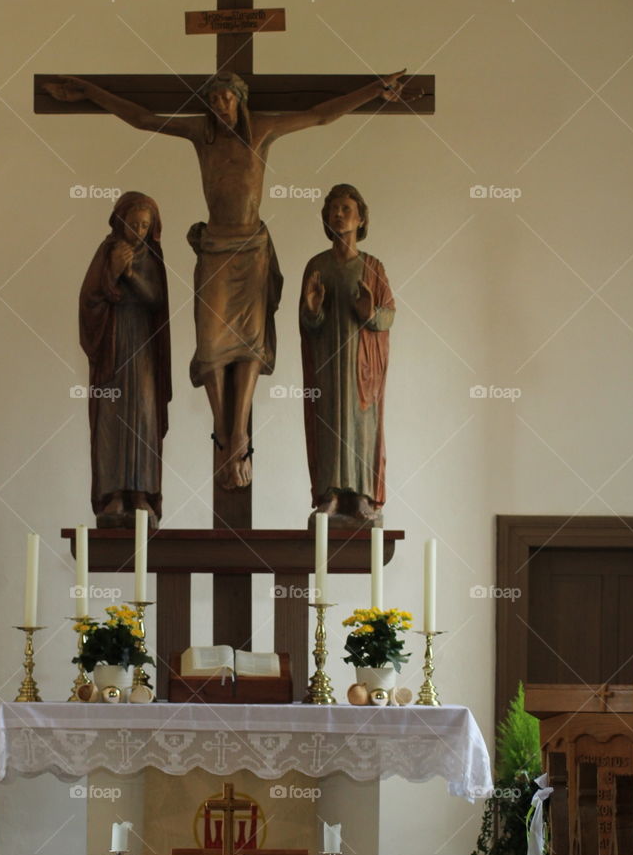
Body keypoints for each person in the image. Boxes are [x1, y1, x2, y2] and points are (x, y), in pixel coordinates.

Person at [46, 69, 407, 487]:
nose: (219, 106)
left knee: (252, 341)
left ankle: (238, 434)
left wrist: (371, 90)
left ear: (241, 100)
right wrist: (92, 90)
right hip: (215, 248)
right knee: (211, 342)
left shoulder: (263, 132)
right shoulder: (202, 135)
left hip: (252, 248)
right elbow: (144, 119)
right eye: (213, 99)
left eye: (226, 98)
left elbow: (321, 115)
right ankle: (225, 436)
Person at [299, 183, 395, 525]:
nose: (338, 215)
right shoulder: (317, 265)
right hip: (327, 362)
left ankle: (363, 498)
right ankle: (332, 495)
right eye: (333, 210)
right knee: (329, 422)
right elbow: (307, 324)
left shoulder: (372, 267)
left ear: (361, 218)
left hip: (362, 366)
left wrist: (369, 313)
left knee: (362, 426)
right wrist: (312, 311)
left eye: (346, 209)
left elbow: (388, 315)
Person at [78, 192, 171, 527]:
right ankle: (114, 494)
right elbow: (89, 298)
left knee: (144, 416)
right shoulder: (107, 251)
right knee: (112, 418)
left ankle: (141, 495)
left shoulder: (152, 257)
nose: (139, 231)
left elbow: (156, 299)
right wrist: (112, 274)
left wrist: (130, 274)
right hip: (113, 345)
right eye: (134, 224)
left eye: (146, 225)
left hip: (143, 346)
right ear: (121, 221)